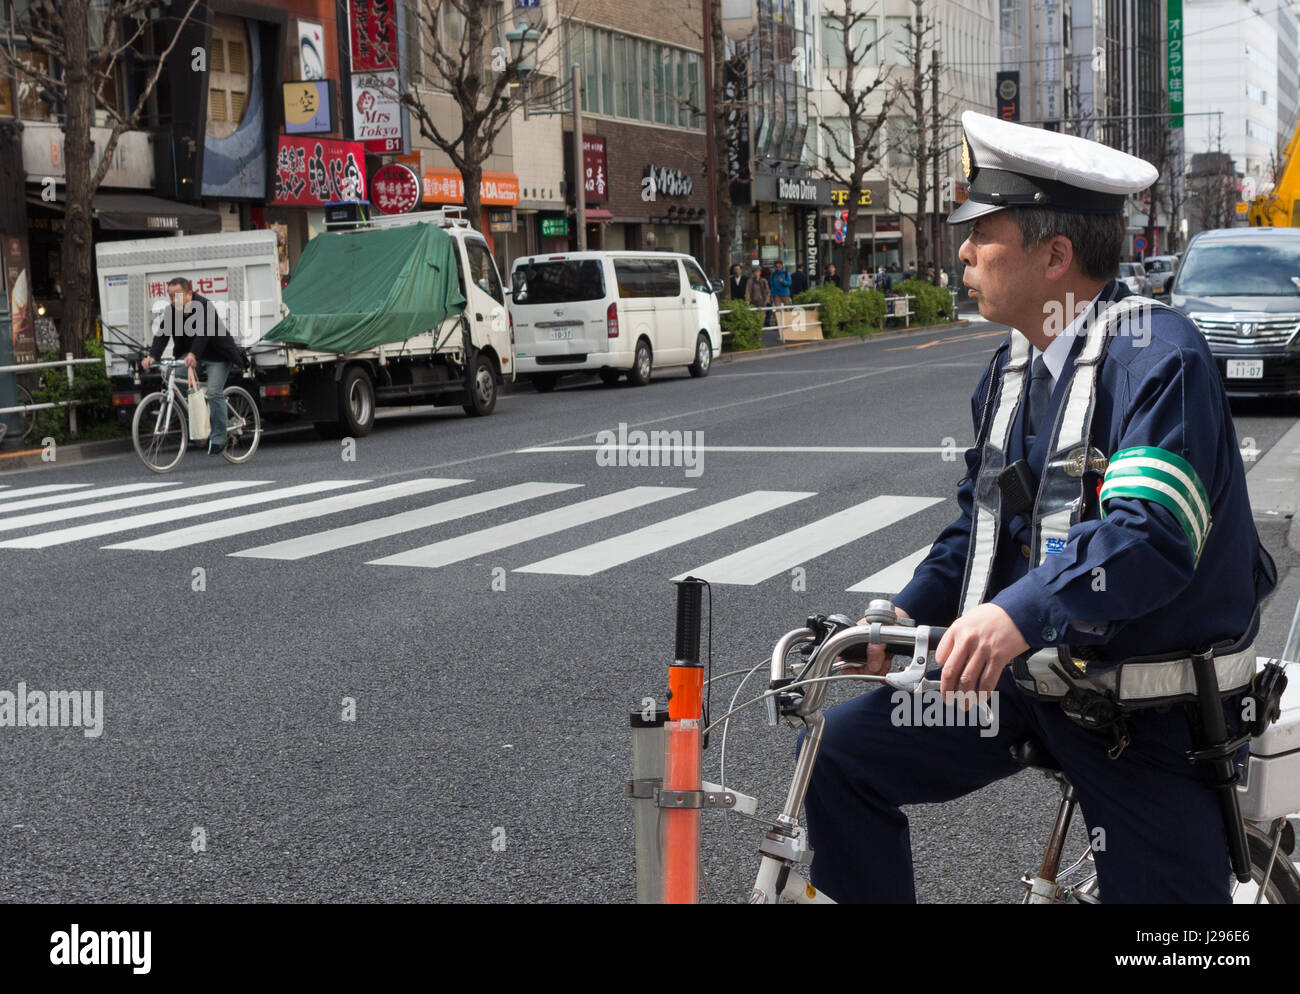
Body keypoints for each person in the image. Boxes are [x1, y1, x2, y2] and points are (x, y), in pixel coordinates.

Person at [800, 110, 1274, 903]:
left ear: (1055, 256)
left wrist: (1017, 613)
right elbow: (981, 528)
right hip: (1034, 682)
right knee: (838, 758)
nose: (963, 251)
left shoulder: (1158, 358)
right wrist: (896, 622)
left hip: (1141, 709)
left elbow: (1150, 534)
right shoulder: (1015, 368)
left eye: (983, 232)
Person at [140, 276, 245, 455]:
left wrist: (193, 353)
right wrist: (152, 356)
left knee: (213, 392)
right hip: (191, 357)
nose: (173, 301)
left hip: (217, 356)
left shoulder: (205, 306)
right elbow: (162, 335)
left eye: (177, 296)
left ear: (189, 293)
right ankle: (200, 418)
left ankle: (219, 438)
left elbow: (204, 333)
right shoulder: (172, 311)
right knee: (171, 377)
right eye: (170, 296)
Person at [748, 264, 772, 331]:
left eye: (758, 271)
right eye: (755, 271)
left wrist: (767, 300)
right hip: (753, 302)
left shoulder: (763, 281)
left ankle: (759, 332)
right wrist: (747, 301)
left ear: (760, 272)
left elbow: (768, 291)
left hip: (762, 302)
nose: (757, 273)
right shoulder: (750, 281)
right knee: (754, 318)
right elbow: (748, 291)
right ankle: (756, 332)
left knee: (761, 318)